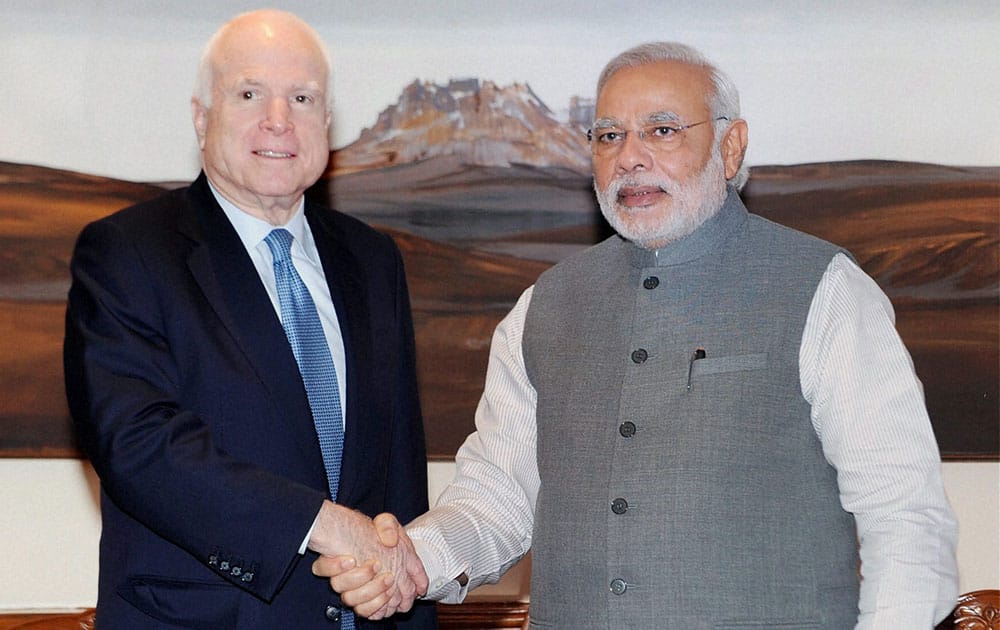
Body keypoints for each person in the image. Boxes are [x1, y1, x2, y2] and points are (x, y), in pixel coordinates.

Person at [315, 42, 960, 629]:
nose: (630, 156)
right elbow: (497, 499)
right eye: (608, 135)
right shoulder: (542, 308)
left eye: (662, 130)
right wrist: (414, 561)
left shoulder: (826, 292)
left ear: (730, 148)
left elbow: (904, 517)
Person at [63, 9, 435, 629]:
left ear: (327, 123)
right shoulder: (128, 254)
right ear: (201, 116)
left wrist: (403, 598)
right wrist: (322, 524)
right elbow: (139, 444)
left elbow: (401, 484)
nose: (279, 120)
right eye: (249, 93)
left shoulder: (372, 261)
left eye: (302, 97)